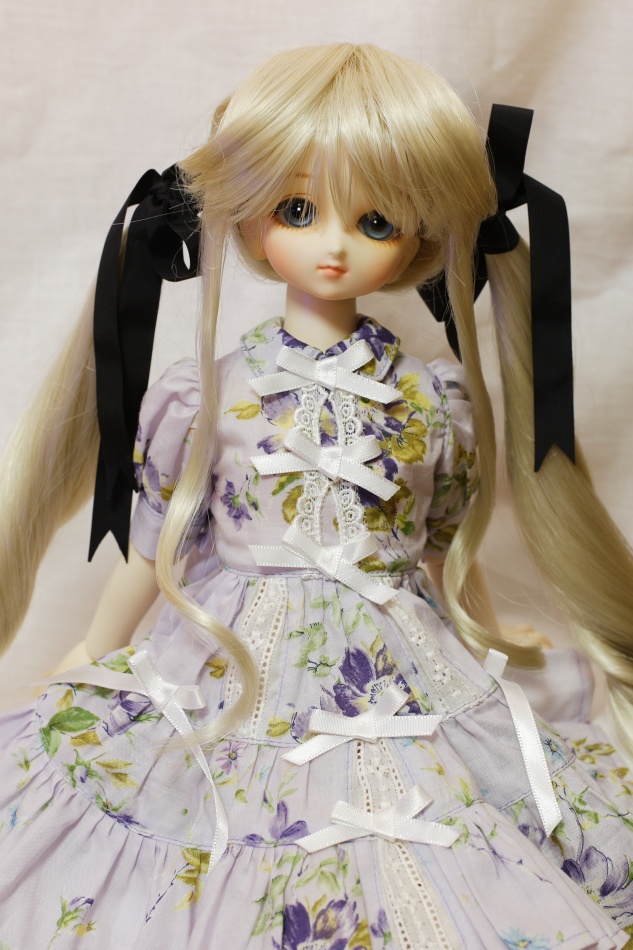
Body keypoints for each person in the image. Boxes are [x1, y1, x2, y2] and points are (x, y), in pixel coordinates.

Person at [1, 43, 633, 949]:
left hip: (398, 653)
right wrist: (91, 653)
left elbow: (438, 558)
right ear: (250, 213)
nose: (333, 244)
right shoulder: (208, 394)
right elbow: (156, 549)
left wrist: (489, 643)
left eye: (375, 220)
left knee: (442, 816)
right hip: (228, 655)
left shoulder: (431, 402)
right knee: (202, 812)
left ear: (420, 238)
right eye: (298, 210)